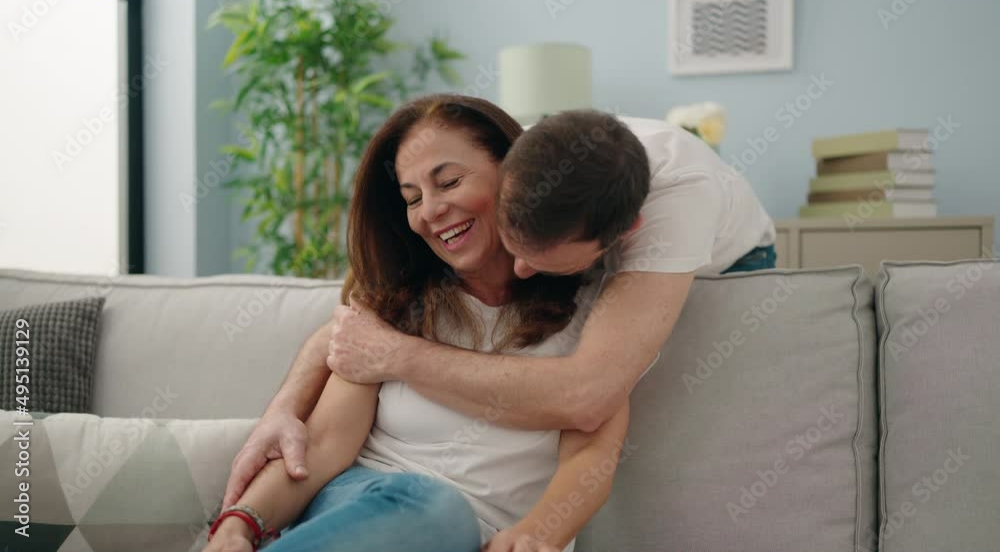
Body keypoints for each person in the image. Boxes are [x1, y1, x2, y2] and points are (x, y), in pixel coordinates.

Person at [223, 100, 775, 533]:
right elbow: (350, 350)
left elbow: (589, 400)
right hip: (370, 503)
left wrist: (401, 357)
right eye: (413, 195)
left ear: (617, 241)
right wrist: (283, 410)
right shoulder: (528, 162)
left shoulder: (666, 217)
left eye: (538, 260)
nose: (517, 269)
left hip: (737, 252)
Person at [207, 95, 629, 552]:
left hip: (486, 540)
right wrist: (239, 525)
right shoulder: (397, 307)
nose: (429, 212)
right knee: (434, 504)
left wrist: (536, 536)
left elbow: (590, 457)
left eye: (447, 182)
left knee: (446, 511)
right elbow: (326, 444)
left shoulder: (592, 310)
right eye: (412, 199)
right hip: (366, 508)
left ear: (516, 172)